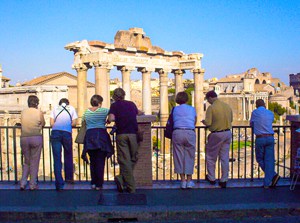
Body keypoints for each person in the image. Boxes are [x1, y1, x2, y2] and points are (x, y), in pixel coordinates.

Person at [107, 88, 142, 193]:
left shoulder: (114, 105)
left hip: (121, 134)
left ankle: (129, 185)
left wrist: (109, 119)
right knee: (134, 157)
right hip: (133, 133)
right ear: (124, 95)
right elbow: (139, 113)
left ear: (114, 96)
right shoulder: (131, 104)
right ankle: (123, 179)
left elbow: (112, 118)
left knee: (124, 159)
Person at [80, 95, 114, 190]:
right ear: (99, 103)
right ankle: (99, 184)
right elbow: (112, 117)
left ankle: (93, 182)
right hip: (101, 136)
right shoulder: (104, 111)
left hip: (90, 136)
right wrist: (107, 121)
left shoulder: (86, 112)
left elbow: (83, 122)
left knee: (93, 161)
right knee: (100, 161)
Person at [202, 90, 233, 188]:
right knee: (224, 158)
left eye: (208, 100)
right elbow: (231, 119)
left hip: (216, 134)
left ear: (210, 98)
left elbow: (208, 122)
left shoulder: (211, 108)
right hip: (227, 133)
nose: (208, 102)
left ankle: (211, 178)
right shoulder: (227, 106)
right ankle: (224, 179)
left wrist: (204, 122)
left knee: (211, 157)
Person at [250, 99, 280, 188]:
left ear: (256, 105)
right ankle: (269, 180)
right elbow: (270, 122)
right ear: (265, 105)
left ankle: (273, 175)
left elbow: (251, 124)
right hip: (270, 137)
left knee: (259, 159)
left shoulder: (254, 113)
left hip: (260, 138)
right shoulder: (270, 113)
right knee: (269, 160)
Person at [50, 98, 78, 191]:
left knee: (57, 158)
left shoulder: (54, 108)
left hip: (55, 133)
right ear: (68, 103)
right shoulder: (72, 108)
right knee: (68, 155)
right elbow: (74, 123)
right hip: (66, 133)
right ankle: (69, 178)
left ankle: (59, 183)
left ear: (59, 103)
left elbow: (51, 123)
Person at [20, 95, 45, 190]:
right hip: (36, 137)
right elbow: (43, 123)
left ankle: (23, 182)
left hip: (24, 138)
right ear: (37, 103)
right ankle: (32, 184)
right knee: (35, 162)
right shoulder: (39, 112)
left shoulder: (23, 112)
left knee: (27, 161)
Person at [172, 91, 197, 189]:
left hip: (177, 132)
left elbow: (172, 120)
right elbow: (194, 120)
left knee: (178, 156)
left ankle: (182, 180)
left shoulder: (174, 109)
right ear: (187, 99)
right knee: (190, 156)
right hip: (189, 132)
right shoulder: (192, 109)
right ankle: (189, 180)